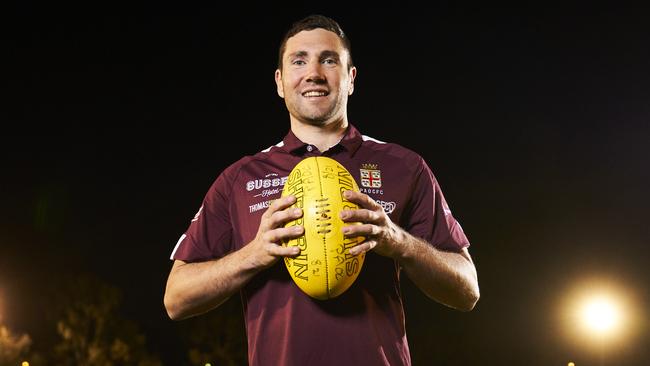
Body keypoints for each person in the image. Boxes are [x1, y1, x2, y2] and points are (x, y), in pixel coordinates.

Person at [164, 14, 479, 366]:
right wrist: (253, 254)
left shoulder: (404, 165)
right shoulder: (241, 177)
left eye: (328, 60)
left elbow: (467, 289)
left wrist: (398, 241)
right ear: (280, 82)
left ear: (351, 78)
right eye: (299, 60)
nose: (313, 72)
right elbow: (176, 298)